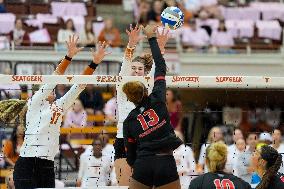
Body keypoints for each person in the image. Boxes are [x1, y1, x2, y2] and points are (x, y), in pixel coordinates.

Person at [10, 36, 111, 189]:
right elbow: (54, 78)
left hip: (47, 165)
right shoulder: (34, 102)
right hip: (27, 163)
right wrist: (68, 56)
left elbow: (78, 86)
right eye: (49, 88)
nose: (54, 90)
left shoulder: (59, 106)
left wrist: (94, 63)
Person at [123, 24, 183, 189]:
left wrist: (137, 166)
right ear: (145, 90)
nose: (135, 72)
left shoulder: (129, 120)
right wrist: (152, 39)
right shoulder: (157, 98)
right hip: (165, 160)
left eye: (139, 70)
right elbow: (160, 68)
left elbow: (130, 154)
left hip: (143, 161)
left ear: (129, 97)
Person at [113, 23, 170, 186]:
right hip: (123, 139)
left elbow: (157, 69)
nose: (136, 71)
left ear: (144, 73)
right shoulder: (123, 88)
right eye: (134, 68)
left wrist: (160, 46)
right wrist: (131, 45)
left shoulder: (148, 87)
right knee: (125, 186)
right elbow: (124, 68)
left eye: (140, 69)